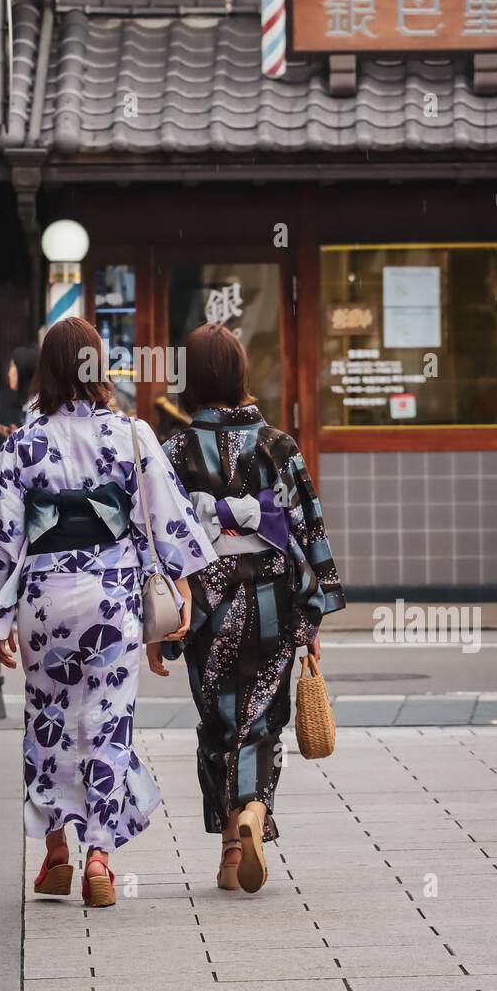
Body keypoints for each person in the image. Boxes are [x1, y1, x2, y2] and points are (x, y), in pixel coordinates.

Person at [0, 316, 216, 909]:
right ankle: (100, 855)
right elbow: (167, 519)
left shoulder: (22, 443)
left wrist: (0, 621)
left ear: (46, 370)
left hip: (44, 600)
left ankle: (55, 852)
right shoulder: (131, 433)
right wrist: (180, 581)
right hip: (112, 596)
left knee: (46, 720)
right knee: (107, 721)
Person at [156, 323, 345, 894]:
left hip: (206, 603)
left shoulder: (175, 450)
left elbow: (160, 537)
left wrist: (162, 626)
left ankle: (229, 854)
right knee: (262, 720)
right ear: (240, 374)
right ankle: (255, 811)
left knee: (217, 723)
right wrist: (311, 614)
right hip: (271, 598)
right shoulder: (279, 446)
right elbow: (307, 528)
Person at [0, 344, 39, 449]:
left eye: (12, 366)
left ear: (23, 369)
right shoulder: (33, 402)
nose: (9, 373)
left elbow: (34, 451)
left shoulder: (37, 408)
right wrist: (17, 435)